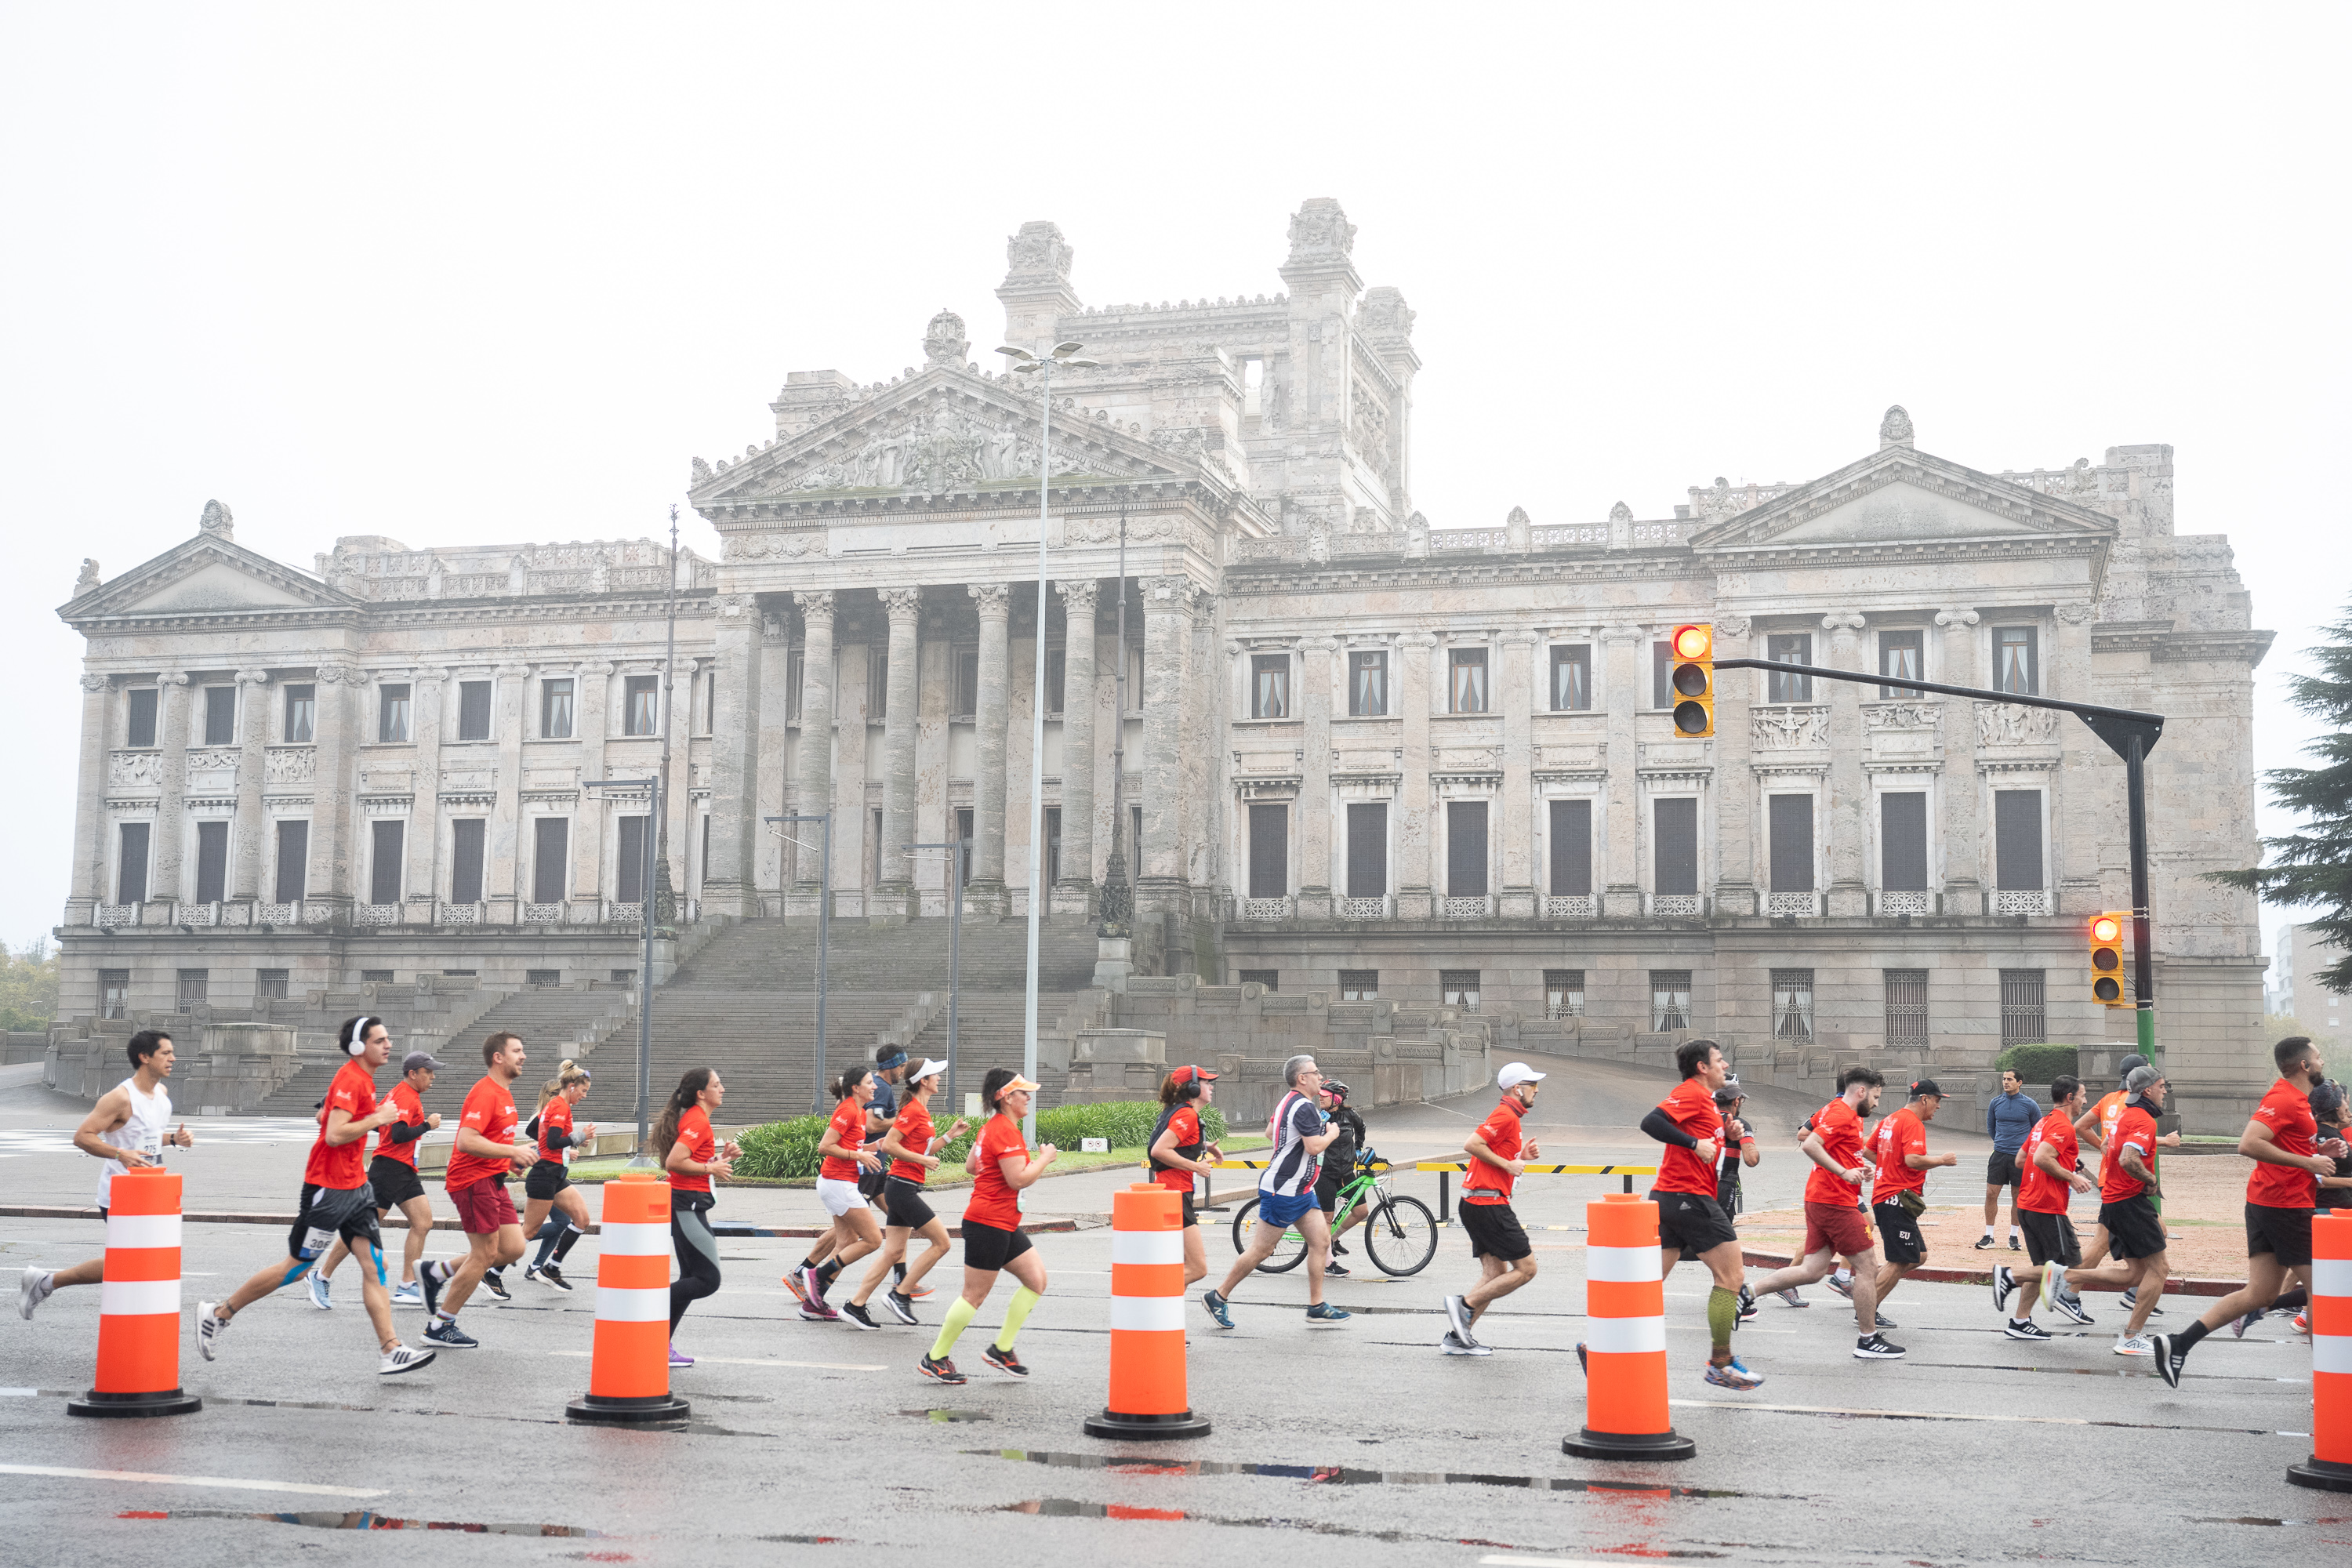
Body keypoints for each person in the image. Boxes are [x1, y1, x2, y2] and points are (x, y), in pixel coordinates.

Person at [195, 1015, 434, 1375]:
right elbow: (336, 1135)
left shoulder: (364, 1081)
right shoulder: (351, 1079)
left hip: (356, 1188)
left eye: (387, 1039)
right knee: (296, 1268)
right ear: (358, 1047)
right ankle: (218, 1314)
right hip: (327, 1189)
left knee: (376, 1267)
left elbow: (331, 1117)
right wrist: (379, 1118)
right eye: (379, 1040)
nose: (388, 1046)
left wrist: (350, 1113)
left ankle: (391, 1349)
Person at [2154, 1037, 2346, 1385]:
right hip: (2283, 1206)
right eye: (2318, 1056)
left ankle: (2178, 1343)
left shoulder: (2298, 1101)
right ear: (2305, 1065)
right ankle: (2331, 1384)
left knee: (2260, 1294)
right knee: (2325, 1292)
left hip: (2272, 1202)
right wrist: (2308, 1160)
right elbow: (2249, 1143)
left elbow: (2285, 1145)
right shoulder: (2284, 1098)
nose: (2322, 1060)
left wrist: (2321, 1150)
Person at [18, 1029, 194, 1320]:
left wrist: (174, 1140)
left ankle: (46, 1283)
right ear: (144, 1057)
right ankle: (47, 1283)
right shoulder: (120, 1098)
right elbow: (82, 1136)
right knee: (132, 1262)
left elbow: (142, 1139)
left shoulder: (161, 1094)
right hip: (119, 1195)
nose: (173, 1058)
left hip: (153, 1192)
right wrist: (119, 1154)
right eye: (166, 1053)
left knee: (140, 1261)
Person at [1739, 1066, 1902, 1359]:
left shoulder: (1841, 1113)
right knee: (1867, 1268)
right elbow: (1810, 1143)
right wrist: (1842, 1171)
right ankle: (1868, 1340)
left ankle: (1746, 1293)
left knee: (1812, 1270)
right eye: (1876, 1096)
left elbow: (1835, 1149)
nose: (1877, 1104)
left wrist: (1857, 1169)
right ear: (1861, 1091)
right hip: (1835, 1202)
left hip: (1822, 1198)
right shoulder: (1840, 1113)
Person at [1632, 1038, 1760, 1388]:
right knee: (1731, 1278)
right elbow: (1651, 1122)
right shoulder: (1691, 1091)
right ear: (1703, 1067)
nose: (1724, 1065)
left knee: (1648, 1282)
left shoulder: (1707, 1103)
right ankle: (1721, 1363)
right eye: (1719, 1060)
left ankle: (1600, 1346)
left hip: (1670, 1197)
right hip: (1689, 1197)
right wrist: (1694, 1143)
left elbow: (1703, 1141)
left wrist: (1726, 1133)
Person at [920, 1069, 1057, 1383]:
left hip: (1004, 1221)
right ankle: (935, 1357)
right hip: (988, 1223)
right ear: (1006, 1098)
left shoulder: (996, 1127)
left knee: (1036, 1280)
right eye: (1023, 1092)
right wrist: (1045, 1158)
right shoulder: (1004, 1131)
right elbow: (1018, 1179)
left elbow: (972, 1166)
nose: (1029, 1097)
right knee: (973, 1296)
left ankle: (1002, 1349)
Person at [1203, 1054, 1352, 1330]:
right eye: (1315, 1072)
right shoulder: (1305, 1108)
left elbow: (1271, 1132)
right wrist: (1330, 1133)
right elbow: (1313, 1147)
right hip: (1284, 1191)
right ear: (1302, 1078)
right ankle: (1218, 1296)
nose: (1320, 1077)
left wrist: (1290, 1145)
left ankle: (1316, 1306)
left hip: (1301, 1190)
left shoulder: (1287, 1102)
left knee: (1321, 1242)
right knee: (1262, 1250)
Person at [417, 1031, 539, 1348]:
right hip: (471, 1180)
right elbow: (466, 1140)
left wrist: (510, 1159)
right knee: (484, 1254)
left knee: (513, 1248)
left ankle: (434, 1272)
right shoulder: (485, 1093)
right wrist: (512, 1152)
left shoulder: (505, 1093)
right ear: (498, 1057)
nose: (523, 1056)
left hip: (492, 1178)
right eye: (517, 1050)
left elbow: (490, 1142)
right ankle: (440, 1327)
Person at [313, 1050, 442, 1308]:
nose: (433, 1078)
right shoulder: (406, 1096)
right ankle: (321, 1275)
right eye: (428, 1073)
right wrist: (428, 1125)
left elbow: (379, 1123)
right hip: (388, 1170)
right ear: (412, 1073)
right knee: (362, 1230)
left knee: (423, 1222)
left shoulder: (400, 1093)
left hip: (403, 1170)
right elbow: (397, 1134)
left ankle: (407, 1285)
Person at [846, 1058, 968, 1327]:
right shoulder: (913, 1110)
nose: (939, 1078)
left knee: (892, 1253)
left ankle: (855, 1305)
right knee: (942, 1243)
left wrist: (949, 1136)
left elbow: (924, 1151)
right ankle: (900, 1295)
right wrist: (923, 1161)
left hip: (902, 1186)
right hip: (901, 1188)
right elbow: (889, 1145)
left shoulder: (920, 1111)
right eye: (934, 1074)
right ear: (923, 1081)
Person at [1440, 1062, 1544, 1356]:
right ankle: (1463, 1307)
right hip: (1488, 1204)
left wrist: (1519, 1155)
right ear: (1517, 1089)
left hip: (1477, 1202)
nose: (1537, 1090)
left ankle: (1457, 1337)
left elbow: (1494, 1152)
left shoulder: (1511, 1116)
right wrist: (1510, 1164)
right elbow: (1472, 1144)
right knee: (1526, 1270)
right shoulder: (1505, 1114)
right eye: (1533, 1085)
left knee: (1495, 1272)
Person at [1991, 1075, 2100, 1338]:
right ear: (2070, 1097)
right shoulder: (2063, 1127)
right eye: (2083, 1096)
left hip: (2028, 1205)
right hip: (2046, 1205)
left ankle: (2019, 1322)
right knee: (2069, 1264)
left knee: (2042, 1267)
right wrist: (2071, 1176)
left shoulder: (2042, 1123)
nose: (2085, 1102)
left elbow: (2021, 1160)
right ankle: (2007, 1278)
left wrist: (2063, 1165)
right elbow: (2040, 1157)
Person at [2073, 1052, 2180, 1319]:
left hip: (2111, 1179)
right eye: (2154, 1077)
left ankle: (2137, 1291)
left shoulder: (2110, 1099)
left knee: (2130, 1245)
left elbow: (2089, 1129)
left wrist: (2104, 1150)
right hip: (2125, 1186)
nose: (2162, 1087)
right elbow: (2131, 1147)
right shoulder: (2133, 1106)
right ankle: (2068, 1289)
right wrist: (2163, 1144)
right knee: (2104, 1245)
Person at [658, 1067, 737, 1367]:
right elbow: (674, 1162)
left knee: (691, 1278)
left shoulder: (698, 1119)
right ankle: (645, 1308)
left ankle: (659, 1345)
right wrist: (710, 1169)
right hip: (686, 1206)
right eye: (717, 1085)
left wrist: (720, 1160)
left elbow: (692, 1161)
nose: (723, 1089)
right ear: (701, 1093)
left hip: (688, 1204)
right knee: (707, 1280)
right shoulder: (697, 1120)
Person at [2095, 1064, 2174, 1356]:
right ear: (2148, 1090)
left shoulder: (2123, 1115)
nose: (2165, 1092)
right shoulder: (2143, 1120)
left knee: (2134, 1273)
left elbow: (2105, 1146)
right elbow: (2129, 1159)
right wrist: (2150, 1179)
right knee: (2160, 1268)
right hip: (2129, 1201)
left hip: (2117, 1199)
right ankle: (2130, 1338)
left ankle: (2066, 1277)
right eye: (2162, 1086)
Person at [801, 1065, 887, 1323]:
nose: (875, 1087)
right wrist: (858, 1155)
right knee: (873, 1240)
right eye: (870, 1083)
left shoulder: (859, 1112)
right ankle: (815, 1276)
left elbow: (854, 1144)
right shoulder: (848, 1109)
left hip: (841, 1182)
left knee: (847, 1240)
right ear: (856, 1088)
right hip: (837, 1183)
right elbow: (825, 1146)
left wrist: (874, 1146)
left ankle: (813, 1303)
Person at [1871, 1080, 1958, 1319]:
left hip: (1890, 1196)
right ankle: (1867, 1308)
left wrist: (1889, 1168)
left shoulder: (1891, 1119)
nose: (1938, 1106)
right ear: (1925, 1099)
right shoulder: (1912, 1123)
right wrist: (1942, 1160)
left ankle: (1867, 1290)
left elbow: (1869, 1149)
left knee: (1918, 1256)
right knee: (1900, 1261)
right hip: (1895, 1198)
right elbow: (1912, 1160)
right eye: (1937, 1100)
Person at [520, 1061, 597, 1290]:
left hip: (555, 1174)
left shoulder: (558, 1107)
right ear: (570, 1086)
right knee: (532, 1230)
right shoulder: (556, 1107)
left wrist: (572, 1143)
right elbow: (549, 1141)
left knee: (576, 1220)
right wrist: (578, 1138)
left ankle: (546, 1267)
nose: (584, 1096)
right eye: (583, 1091)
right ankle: (496, 1264)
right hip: (545, 1173)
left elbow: (549, 1141)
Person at [1146, 1065, 1225, 1289]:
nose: (1210, 1086)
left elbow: (1178, 1143)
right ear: (1191, 1088)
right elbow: (1159, 1151)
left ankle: (1163, 1315)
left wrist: (1206, 1146)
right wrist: (1196, 1166)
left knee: (1180, 1264)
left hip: (1172, 1194)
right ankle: (1150, 1298)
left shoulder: (1177, 1112)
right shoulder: (1186, 1115)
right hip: (1176, 1195)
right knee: (1197, 1268)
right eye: (1205, 1082)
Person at [1979, 1069, 2038, 1251]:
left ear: (2019, 1082)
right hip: (1999, 1155)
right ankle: (1989, 1236)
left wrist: (2024, 1149)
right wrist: (2001, 1142)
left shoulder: (2030, 1105)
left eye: (2010, 1079)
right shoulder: (1995, 1102)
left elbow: (2037, 1130)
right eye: (2004, 1079)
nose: (2006, 1082)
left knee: (2017, 1197)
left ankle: (2013, 1237)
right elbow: (1991, 1127)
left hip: (2020, 1158)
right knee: (1991, 1194)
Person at [1316, 1079, 1370, 1274]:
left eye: (1324, 1095)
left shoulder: (1349, 1115)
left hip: (1347, 1173)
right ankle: (1325, 1261)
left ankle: (1333, 1239)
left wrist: (1358, 1148)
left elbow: (1361, 1128)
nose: (1320, 1097)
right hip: (1325, 1174)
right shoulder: (1318, 1117)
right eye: (1319, 1094)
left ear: (1336, 1099)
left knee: (1362, 1212)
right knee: (1327, 1218)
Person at [1715, 1077, 1760, 1222]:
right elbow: (1751, 1160)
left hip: (1698, 1185)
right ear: (1736, 1101)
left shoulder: (1702, 1120)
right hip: (1724, 1186)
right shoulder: (1739, 1123)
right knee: (1723, 1234)